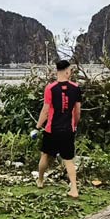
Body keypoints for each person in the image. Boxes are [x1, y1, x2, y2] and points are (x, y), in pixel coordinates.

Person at [34, 60, 83, 198]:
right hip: (68, 130)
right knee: (69, 160)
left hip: (52, 130)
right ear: (67, 71)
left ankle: (40, 180)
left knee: (45, 155)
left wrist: (37, 127)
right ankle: (74, 189)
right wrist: (75, 125)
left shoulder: (50, 88)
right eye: (71, 71)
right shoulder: (76, 88)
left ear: (57, 72)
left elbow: (46, 110)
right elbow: (77, 112)